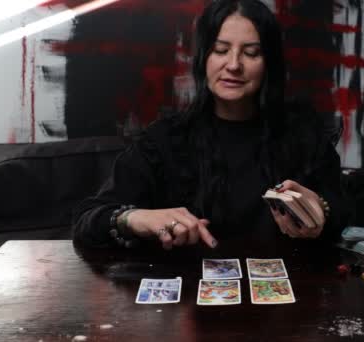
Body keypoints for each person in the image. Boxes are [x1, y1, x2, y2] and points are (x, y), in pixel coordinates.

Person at [72, 0, 348, 250]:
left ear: (269, 64)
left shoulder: (303, 135)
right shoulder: (164, 140)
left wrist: (321, 210)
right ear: (204, 58)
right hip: (188, 300)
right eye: (221, 50)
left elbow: (344, 211)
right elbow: (87, 221)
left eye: (251, 53)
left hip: (286, 296)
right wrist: (134, 217)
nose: (233, 65)